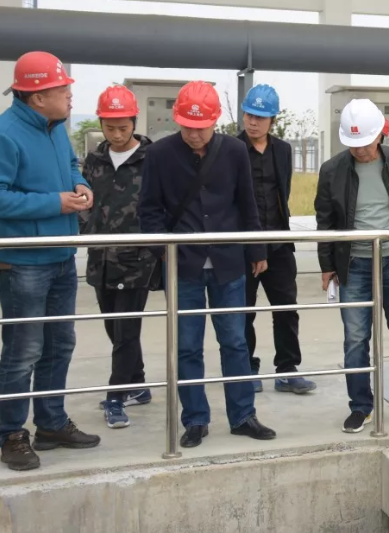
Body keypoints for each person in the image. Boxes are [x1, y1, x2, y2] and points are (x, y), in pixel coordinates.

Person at [0, 51, 100, 471]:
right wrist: (55, 203)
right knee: (23, 350)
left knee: (59, 344)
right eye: (62, 90)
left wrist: (80, 185)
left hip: (61, 255)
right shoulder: (0, 136)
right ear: (37, 97)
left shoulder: (55, 129)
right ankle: (13, 435)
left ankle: (51, 423)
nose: (69, 97)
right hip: (22, 263)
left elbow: (70, 165)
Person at [139, 81, 275, 448]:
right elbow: (148, 210)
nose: (194, 134)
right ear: (177, 120)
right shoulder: (160, 154)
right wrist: (163, 252)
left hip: (228, 261)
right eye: (187, 126)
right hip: (182, 264)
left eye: (201, 127)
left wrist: (257, 249)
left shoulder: (234, 151)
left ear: (215, 121)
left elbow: (247, 203)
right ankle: (195, 419)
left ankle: (243, 415)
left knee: (235, 341)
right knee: (187, 345)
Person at [315, 98, 389, 433]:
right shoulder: (332, 170)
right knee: (355, 337)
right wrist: (327, 264)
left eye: (364, 143)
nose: (359, 150)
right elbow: (325, 221)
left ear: (379, 135)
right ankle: (360, 405)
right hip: (353, 264)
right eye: (353, 144)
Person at [80, 85, 157, 429]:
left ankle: (116, 396)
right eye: (109, 128)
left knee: (126, 330)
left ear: (134, 123)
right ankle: (137, 383)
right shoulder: (95, 161)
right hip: (100, 259)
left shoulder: (152, 159)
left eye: (123, 128)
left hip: (136, 261)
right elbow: (84, 202)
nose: (116, 134)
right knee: (113, 326)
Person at [237, 84, 315, 395]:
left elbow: (283, 191)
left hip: (279, 243)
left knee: (286, 308)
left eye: (260, 117)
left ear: (273, 120)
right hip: (243, 246)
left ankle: (287, 368)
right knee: (243, 310)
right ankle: (246, 368)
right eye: (249, 115)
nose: (253, 122)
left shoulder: (283, 150)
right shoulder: (230, 148)